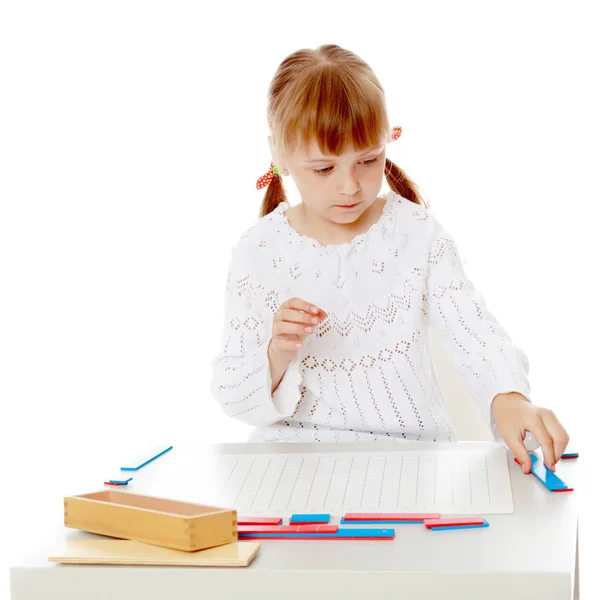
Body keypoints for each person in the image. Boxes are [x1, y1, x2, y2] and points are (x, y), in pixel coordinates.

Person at [210, 43, 569, 474]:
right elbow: (231, 392)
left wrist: (509, 397)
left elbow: (473, 330)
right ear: (280, 156)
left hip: (411, 464)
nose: (350, 186)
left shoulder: (417, 233)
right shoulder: (258, 251)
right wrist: (276, 354)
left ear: (387, 141)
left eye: (368, 160)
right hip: (292, 466)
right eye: (324, 169)